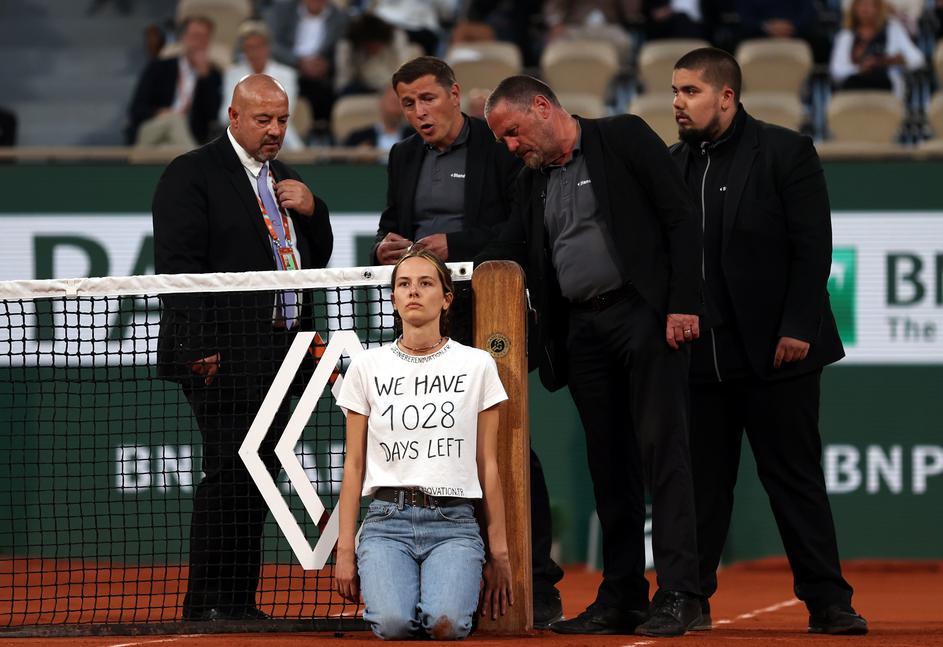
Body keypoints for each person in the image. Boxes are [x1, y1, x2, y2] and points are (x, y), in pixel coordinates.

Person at [483, 75, 703, 637]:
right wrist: (434, 256)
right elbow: (508, 245)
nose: (511, 146)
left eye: (513, 132)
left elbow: (680, 217)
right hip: (581, 330)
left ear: (542, 107)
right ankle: (622, 596)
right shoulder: (530, 181)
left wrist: (683, 303)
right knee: (608, 464)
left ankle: (680, 593)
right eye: (503, 139)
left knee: (663, 453)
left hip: (643, 315)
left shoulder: (623, 137)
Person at [668, 47, 868, 635]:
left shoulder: (785, 150)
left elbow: (813, 245)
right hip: (704, 358)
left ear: (726, 96)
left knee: (794, 481)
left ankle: (828, 603)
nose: (677, 102)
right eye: (675, 91)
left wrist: (798, 326)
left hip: (779, 353)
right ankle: (690, 598)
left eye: (690, 91)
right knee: (702, 488)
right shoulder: (673, 164)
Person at [372, 56, 566, 628]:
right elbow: (392, 220)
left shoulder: (498, 146)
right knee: (427, 444)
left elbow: (520, 228)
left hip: (490, 317)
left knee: (506, 446)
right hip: (425, 321)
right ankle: (441, 577)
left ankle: (538, 582)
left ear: (455, 95)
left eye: (428, 99)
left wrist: (453, 245)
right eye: (408, 103)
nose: (419, 112)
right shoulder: (402, 156)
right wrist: (387, 246)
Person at [152, 73, 333, 621]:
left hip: (281, 352)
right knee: (229, 468)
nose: (275, 130)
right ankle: (207, 603)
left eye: (282, 120)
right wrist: (200, 344)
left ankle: (237, 601)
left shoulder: (288, 178)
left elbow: (315, 259)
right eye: (263, 120)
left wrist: (315, 210)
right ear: (233, 117)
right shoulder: (192, 173)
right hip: (222, 354)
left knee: (258, 471)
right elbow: (178, 267)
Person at [334, 249, 513, 640]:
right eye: (404, 284)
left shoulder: (477, 364)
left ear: (446, 298)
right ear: (394, 299)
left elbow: (487, 464)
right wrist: (345, 548)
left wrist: (498, 552)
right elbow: (354, 464)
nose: (413, 291)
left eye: (426, 283)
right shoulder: (366, 366)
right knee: (393, 624)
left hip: (454, 523)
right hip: (386, 523)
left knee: (447, 625)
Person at [126, 15, 222, 146]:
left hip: (186, 137)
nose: (199, 42)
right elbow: (136, 109)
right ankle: (195, 158)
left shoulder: (213, 75)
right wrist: (159, 112)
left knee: (171, 145)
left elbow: (213, 117)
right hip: (154, 128)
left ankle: (190, 155)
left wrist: (205, 78)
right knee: (175, 120)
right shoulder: (159, 67)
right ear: (183, 38)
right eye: (195, 36)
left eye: (204, 37)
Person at [220, 21, 305, 150]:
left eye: (258, 46)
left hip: (281, 138)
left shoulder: (287, 74)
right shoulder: (232, 74)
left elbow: (285, 112)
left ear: (267, 47)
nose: (254, 52)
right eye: (249, 47)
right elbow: (225, 114)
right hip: (242, 137)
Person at [269, 0, 348, 132]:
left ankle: (320, 131)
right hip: (289, 66)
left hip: (321, 74)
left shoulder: (339, 17)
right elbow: (273, 45)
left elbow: (340, 51)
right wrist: (299, 62)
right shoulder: (283, 10)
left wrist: (326, 65)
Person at [830, 0, 924, 100]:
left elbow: (917, 59)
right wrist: (861, 68)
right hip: (854, 90)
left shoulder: (893, 30)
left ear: (879, 9)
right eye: (861, 5)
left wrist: (888, 61)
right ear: (854, 9)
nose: (865, 9)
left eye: (870, 5)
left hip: (886, 89)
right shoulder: (846, 36)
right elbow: (837, 70)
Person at [342, 85, 413, 152]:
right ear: (381, 103)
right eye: (394, 102)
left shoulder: (414, 137)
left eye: (402, 104)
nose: (398, 109)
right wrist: (357, 157)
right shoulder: (358, 138)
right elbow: (342, 156)